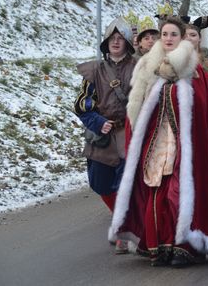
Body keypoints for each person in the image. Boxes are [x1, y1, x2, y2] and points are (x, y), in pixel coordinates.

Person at [108, 16, 208, 266]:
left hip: (184, 142)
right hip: (156, 140)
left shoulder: (193, 68)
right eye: (165, 34)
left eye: (173, 35)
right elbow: (138, 106)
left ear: (181, 38)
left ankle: (183, 245)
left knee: (178, 191)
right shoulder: (149, 66)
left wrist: (172, 91)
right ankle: (161, 245)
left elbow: (201, 106)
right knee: (156, 191)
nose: (168, 39)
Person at [74, 18, 137, 254]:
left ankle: (124, 229)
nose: (116, 42)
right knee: (100, 183)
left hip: (129, 133)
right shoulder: (95, 70)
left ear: (127, 43)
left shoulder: (138, 68)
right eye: (112, 39)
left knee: (125, 185)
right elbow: (81, 105)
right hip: (102, 136)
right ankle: (120, 219)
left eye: (120, 39)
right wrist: (98, 122)